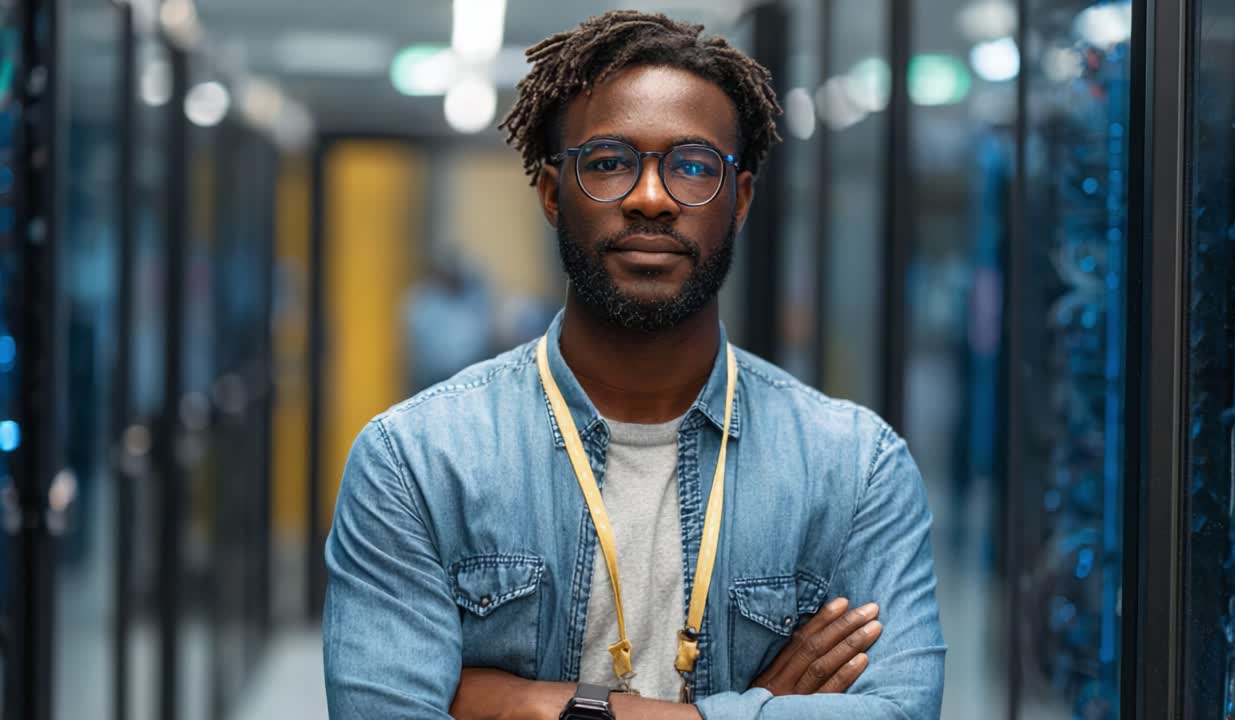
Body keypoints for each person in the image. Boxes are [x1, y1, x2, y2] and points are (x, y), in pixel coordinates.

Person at [323, 11, 944, 719]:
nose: (651, 198)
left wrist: (532, 705)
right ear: (552, 193)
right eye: (609, 162)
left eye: (693, 167)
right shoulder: (416, 461)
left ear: (740, 200)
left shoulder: (855, 467)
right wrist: (761, 709)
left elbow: (901, 712)